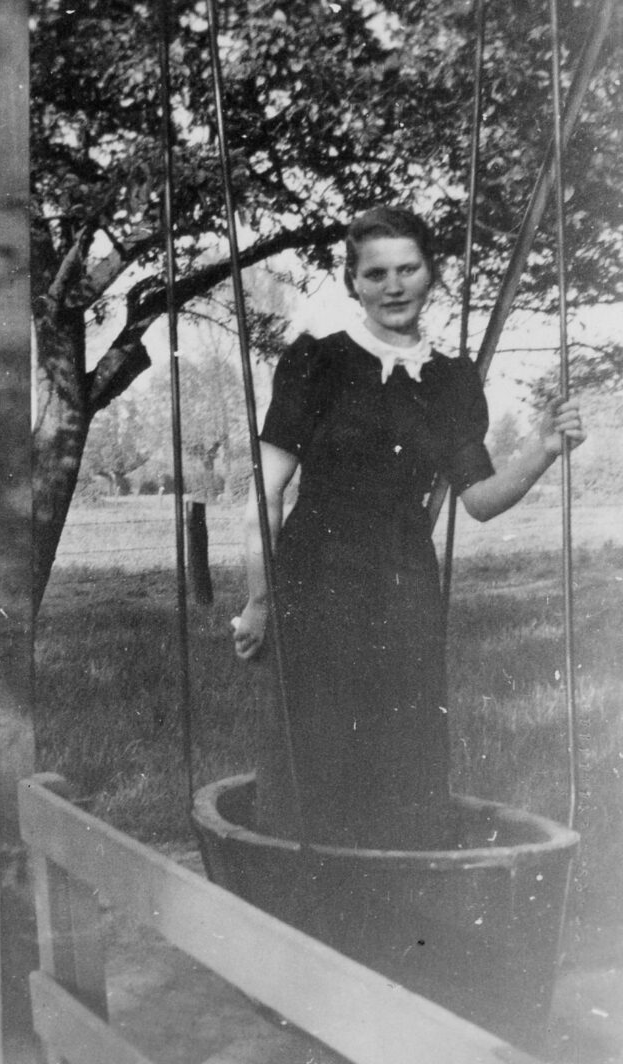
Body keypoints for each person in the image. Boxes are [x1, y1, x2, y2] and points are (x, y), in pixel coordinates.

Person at [232, 206, 585, 850]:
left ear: (431, 274)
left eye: (407, 269)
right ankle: (299, 894)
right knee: (318, 734)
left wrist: (542, 449)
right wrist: (260, 601)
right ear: (352, 283)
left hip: (404, 586)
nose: (393, 286)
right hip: (317, 581)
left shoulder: (451, 381)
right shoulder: (319, 362)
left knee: (405, 742)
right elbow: (265, 494)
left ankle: (395, 899)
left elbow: (479, 499)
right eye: (375, 273)